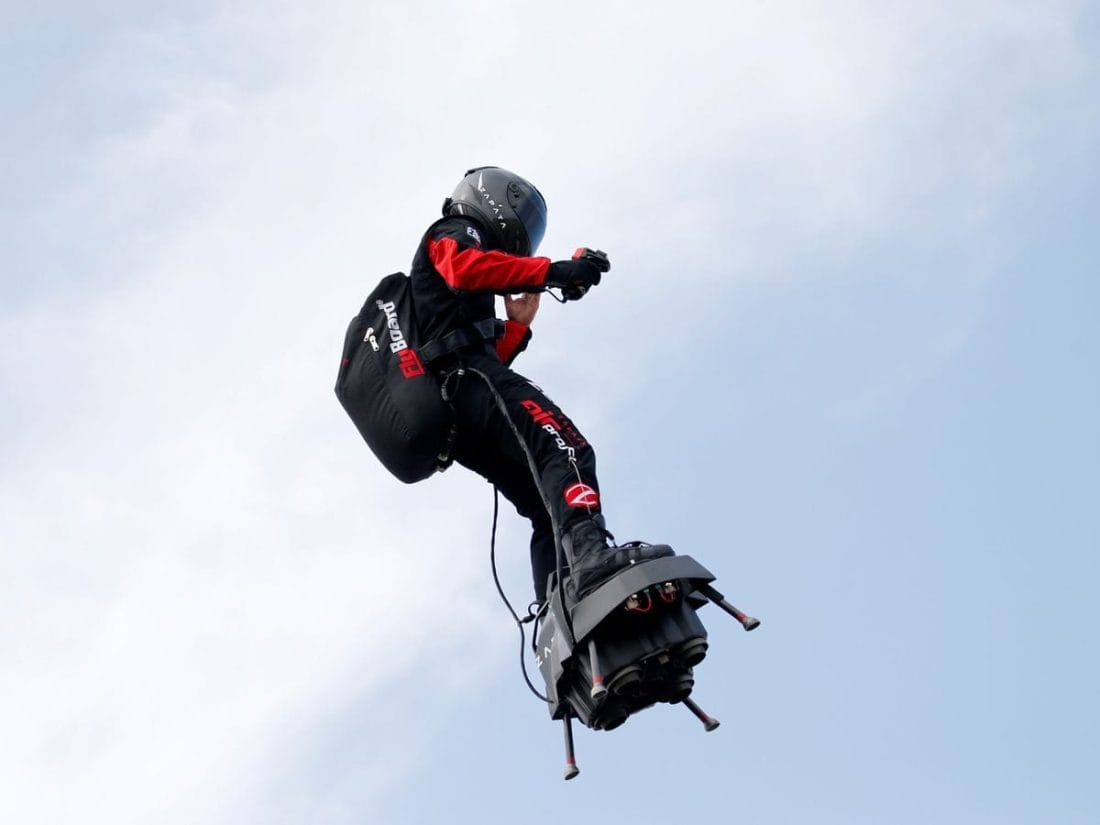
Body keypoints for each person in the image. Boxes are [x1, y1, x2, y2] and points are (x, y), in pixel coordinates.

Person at [407, 166, 669, 604]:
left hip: (461, 406)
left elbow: (482, 359)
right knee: (566, 449)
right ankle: (589, 561)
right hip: (467, 384)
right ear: (493, 199)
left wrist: (516, 325)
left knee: (544, 505)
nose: (525, 227)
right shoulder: (455, 229)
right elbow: (463, 267)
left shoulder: (463, 281)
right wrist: (550, 271)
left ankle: (560, 616)